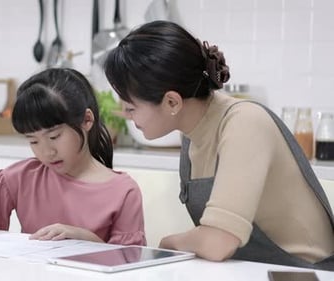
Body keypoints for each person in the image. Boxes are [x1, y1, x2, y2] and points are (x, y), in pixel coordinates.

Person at [103, 20, 334, 269]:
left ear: (172, 102)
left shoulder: (244, 123)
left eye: (130, 107)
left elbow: (218, 242)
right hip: (252, 270)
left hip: (304, 274)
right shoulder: (192, 133)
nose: (126, 116)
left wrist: (167, 243)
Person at [0, 68, 146, 246]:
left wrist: (83, 238)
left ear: (87, 120)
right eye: (33, 141)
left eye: (54, 136)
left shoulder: (123, 191)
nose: (46, 152)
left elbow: (129, 264)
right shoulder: (22, 177)